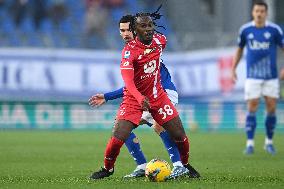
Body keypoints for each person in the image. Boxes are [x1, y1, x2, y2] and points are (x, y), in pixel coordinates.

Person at [89, 12, 200, 180]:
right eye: (122, 30)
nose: (125, 33)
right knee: (120, 132)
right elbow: (129, 83)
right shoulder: (129, 53)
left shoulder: (159, 42)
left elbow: (158, 47)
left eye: (128, 30)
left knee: (166, 128)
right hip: (136, 99)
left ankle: (181, 165)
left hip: (162, 93)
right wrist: (113, 96)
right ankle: (120, 167)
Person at [231, 1, 284, 155]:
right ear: (253, 12)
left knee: (271, 107)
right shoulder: (245, 30)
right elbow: (239, 50)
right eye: (256, 11)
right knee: (252, 106)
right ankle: (250, 143)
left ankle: (269, 142)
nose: (259, 13)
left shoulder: (274, 30)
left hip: (271, 77)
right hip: (252, 76)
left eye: (262, 11)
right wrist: (233, 68)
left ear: (266, 13)